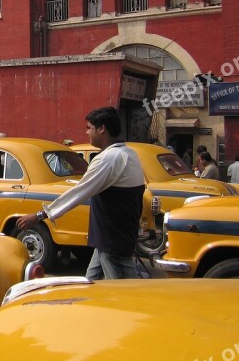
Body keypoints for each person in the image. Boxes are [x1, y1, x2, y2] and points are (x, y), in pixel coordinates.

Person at [17, 106, 145, 280]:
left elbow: (79, 192)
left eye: (89, 128)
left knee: (122, 295)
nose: (87, 133)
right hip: (110, 240)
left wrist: (40, 215)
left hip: (113, 241)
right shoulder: (129, 153)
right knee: (90, 284)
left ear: (102, 129)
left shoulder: (108, 158)